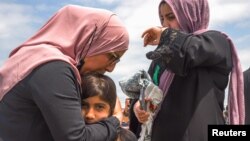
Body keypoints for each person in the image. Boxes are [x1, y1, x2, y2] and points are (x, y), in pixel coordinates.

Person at [0, 5, 129, 141]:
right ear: (91, 40)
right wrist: (115, 120)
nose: (111, 68)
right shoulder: (53, 68)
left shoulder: (32, 60)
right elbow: (76, 138)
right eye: (112, 56)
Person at [130, 0, 245, 141]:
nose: (165, 24)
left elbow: (187, 54)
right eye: (162, 19)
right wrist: (140, 106)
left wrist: (166, 36)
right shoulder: (161, 58)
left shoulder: (215, 42)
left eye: (171, 17)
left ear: (190, 14)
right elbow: (147, 87)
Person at [80, 72, 137, 141]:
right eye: (83, 105)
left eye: (99, 107)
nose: (89, 115)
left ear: (111, 110)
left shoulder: (125, 138)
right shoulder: (67, 134)